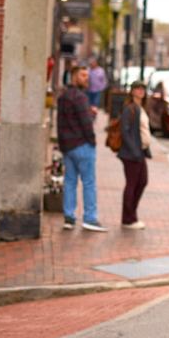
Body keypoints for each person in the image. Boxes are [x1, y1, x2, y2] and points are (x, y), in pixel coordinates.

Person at [56, 64, 106, 232]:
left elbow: (61, 122)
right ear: (75, 77)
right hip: (82, 145)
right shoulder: (80, 98)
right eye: (83, 76)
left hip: (68, 146)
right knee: (89, 182)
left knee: (70, 181)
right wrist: (92, 141)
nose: (87, 79)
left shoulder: (63, 96)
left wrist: (62, 145)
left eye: (87, 75)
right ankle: (90, 218)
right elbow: (85, 123)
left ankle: (69, 218)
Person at [118, 81, 152, 230]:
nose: (140, 91)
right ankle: (128, 219)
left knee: (142, 182)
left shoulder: (141, 108)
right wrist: (134, 151)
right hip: (132, 154)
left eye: (142, 89)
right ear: (132, 91)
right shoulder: (129, 108)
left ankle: (131, 215)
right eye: (137, 89)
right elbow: (124, 132)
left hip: (140, 152)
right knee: (132, 184)